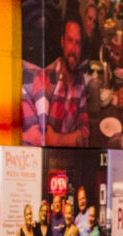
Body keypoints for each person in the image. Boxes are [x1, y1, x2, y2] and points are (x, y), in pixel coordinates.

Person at [39, 18, 89, 146]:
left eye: (77, 43)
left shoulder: (80, 82)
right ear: (62, 42)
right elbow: (41, 138)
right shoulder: (47, 78)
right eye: (70, 41)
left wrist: (57, 140)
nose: (73, 49)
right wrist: (73, 138)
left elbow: (84, 135)